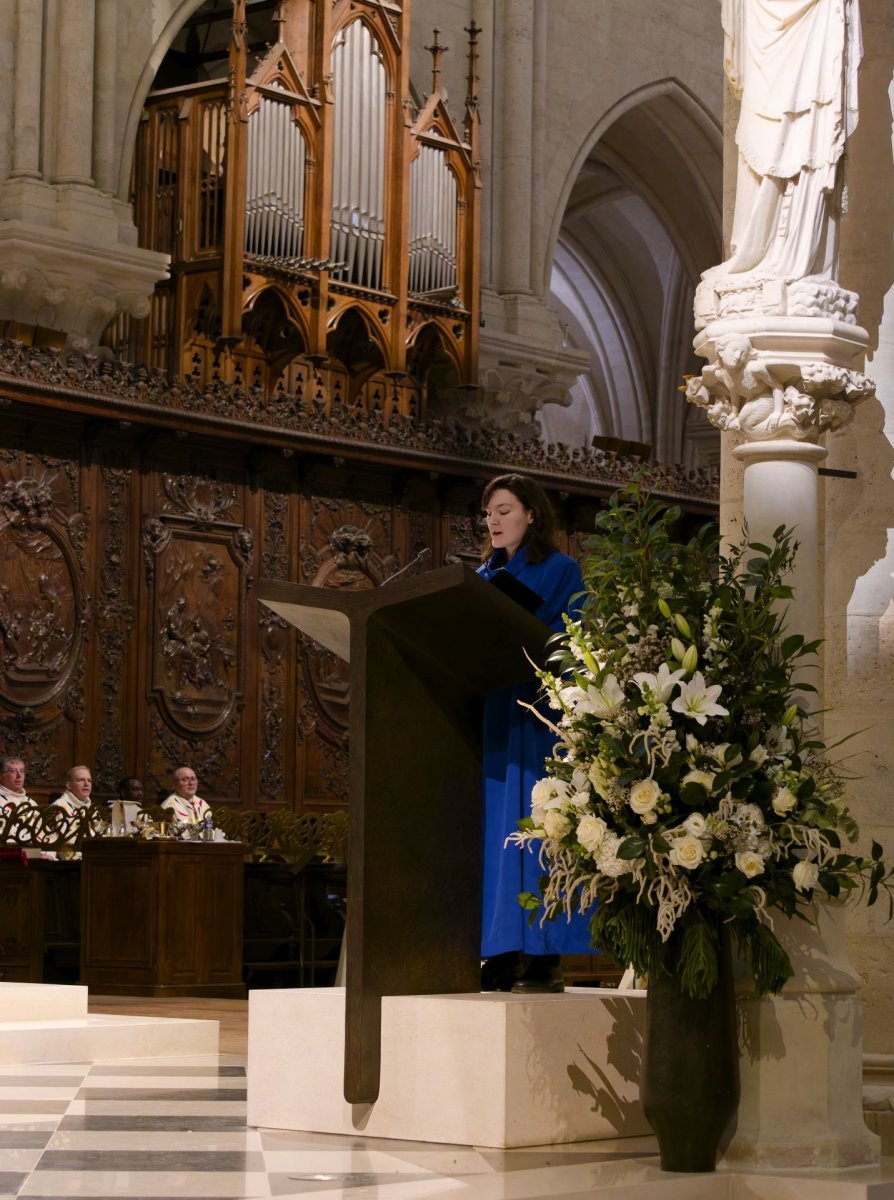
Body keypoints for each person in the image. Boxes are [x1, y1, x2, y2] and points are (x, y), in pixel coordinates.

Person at [477, 474, 592, 993]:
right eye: (488, 514)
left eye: (503, 510)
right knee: (500, 835)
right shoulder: (484, 575)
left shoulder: (561, 570)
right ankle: (500, 949)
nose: (493, 521)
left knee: (543, 827)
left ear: (531, 515)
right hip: (497, 709)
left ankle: (545, 954)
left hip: (540, 714)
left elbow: (576, 638)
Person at [714, 0, 861, 284]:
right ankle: (754, 252)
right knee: (758, 130)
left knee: (812, 128)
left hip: (816, 23)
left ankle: (804, 258)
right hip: (762, 27)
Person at [0, 755, 39, 841]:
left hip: (37, 852)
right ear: (1, 776)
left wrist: (49, 853)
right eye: (13, 771)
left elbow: (45, 833)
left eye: (22, 771)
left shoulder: (32, 803)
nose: (19, 775)